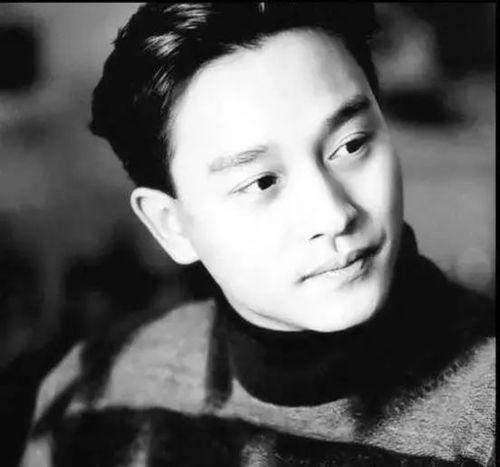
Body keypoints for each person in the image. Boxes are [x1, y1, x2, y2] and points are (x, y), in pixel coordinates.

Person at [22, 3, 494, 466]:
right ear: (172, 225)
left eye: (351, 145)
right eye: (263, 182)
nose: (333, 216)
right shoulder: (93, 392)